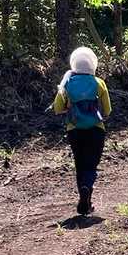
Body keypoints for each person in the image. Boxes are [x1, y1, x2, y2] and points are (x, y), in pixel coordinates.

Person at [53, 46, 112, 216]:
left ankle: (84, 201)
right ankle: (87, 188)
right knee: (91, 164)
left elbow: (57, 108)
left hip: (74, 130)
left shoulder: (67, 82)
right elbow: (108, 110)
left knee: (80, 164)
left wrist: (70, 107)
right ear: (92, 64)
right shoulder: (99, 83)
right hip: (96, 130)